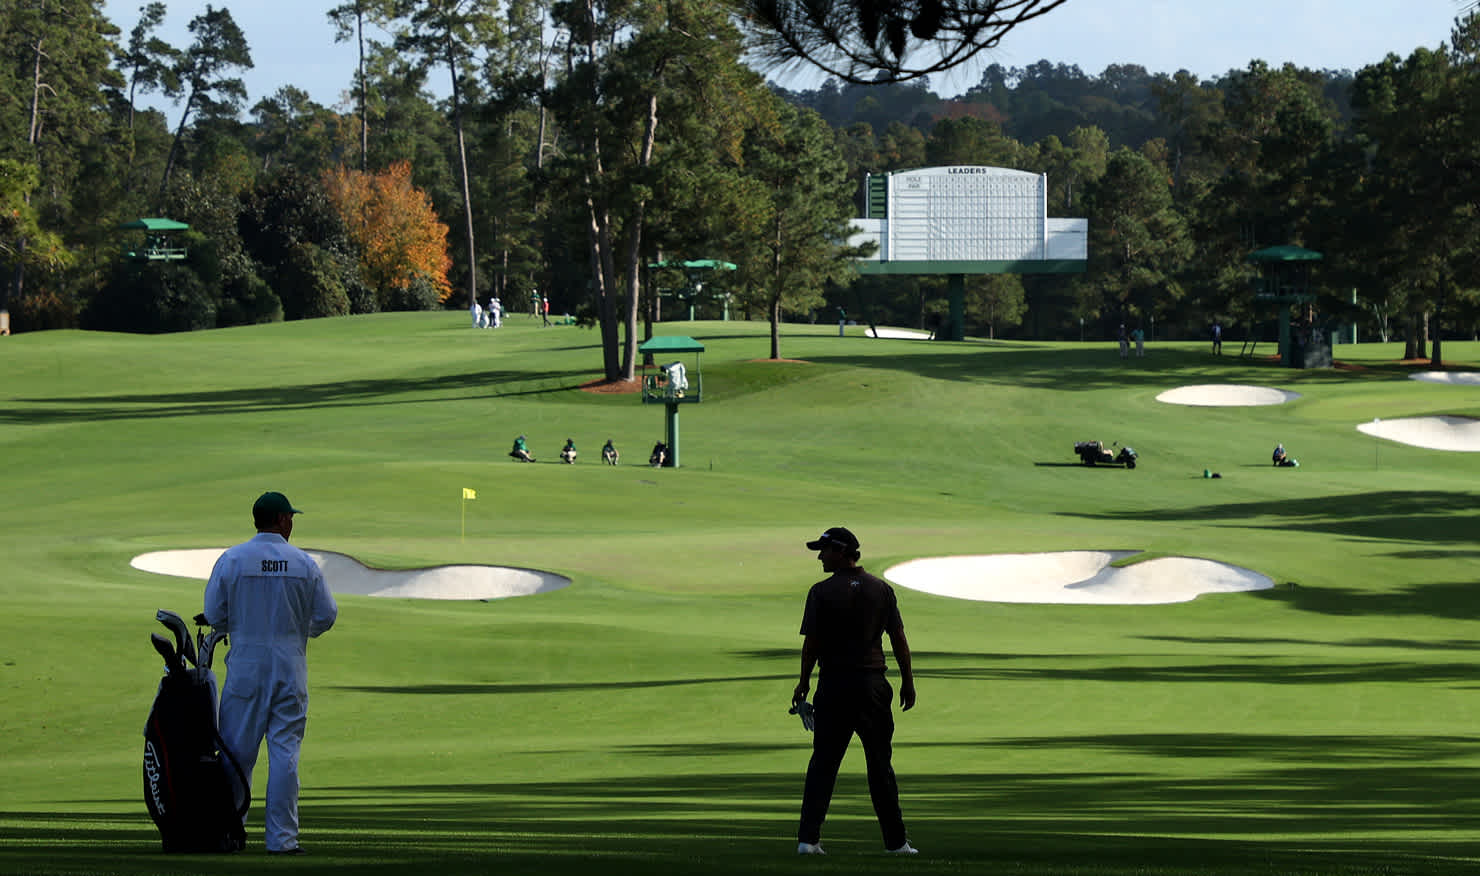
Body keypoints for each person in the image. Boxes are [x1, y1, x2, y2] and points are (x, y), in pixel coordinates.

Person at [202, 491, 338, 855]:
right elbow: (326, 615)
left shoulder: (232, 559)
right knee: (285, 754)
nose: (292, 522)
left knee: (237, 752)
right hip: (289, 665)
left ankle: (231, 833)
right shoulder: (303, 563)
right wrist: (296, 631)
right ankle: (282, 840)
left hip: (246, 662)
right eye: (290, 517)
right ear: (281, 520)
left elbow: (214, 614)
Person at [793, 527, 917, 857]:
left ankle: (808, 840)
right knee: (880, 766)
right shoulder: (881, 590)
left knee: (823, 764)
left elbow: (812, 645)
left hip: (834, 685)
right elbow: (899, 640)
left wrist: (803, 683)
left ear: (841, 551)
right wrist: (908, 680)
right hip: (872, 687)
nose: (819, 557)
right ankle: (896, 843)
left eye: (824, 551)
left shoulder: (821, 591)